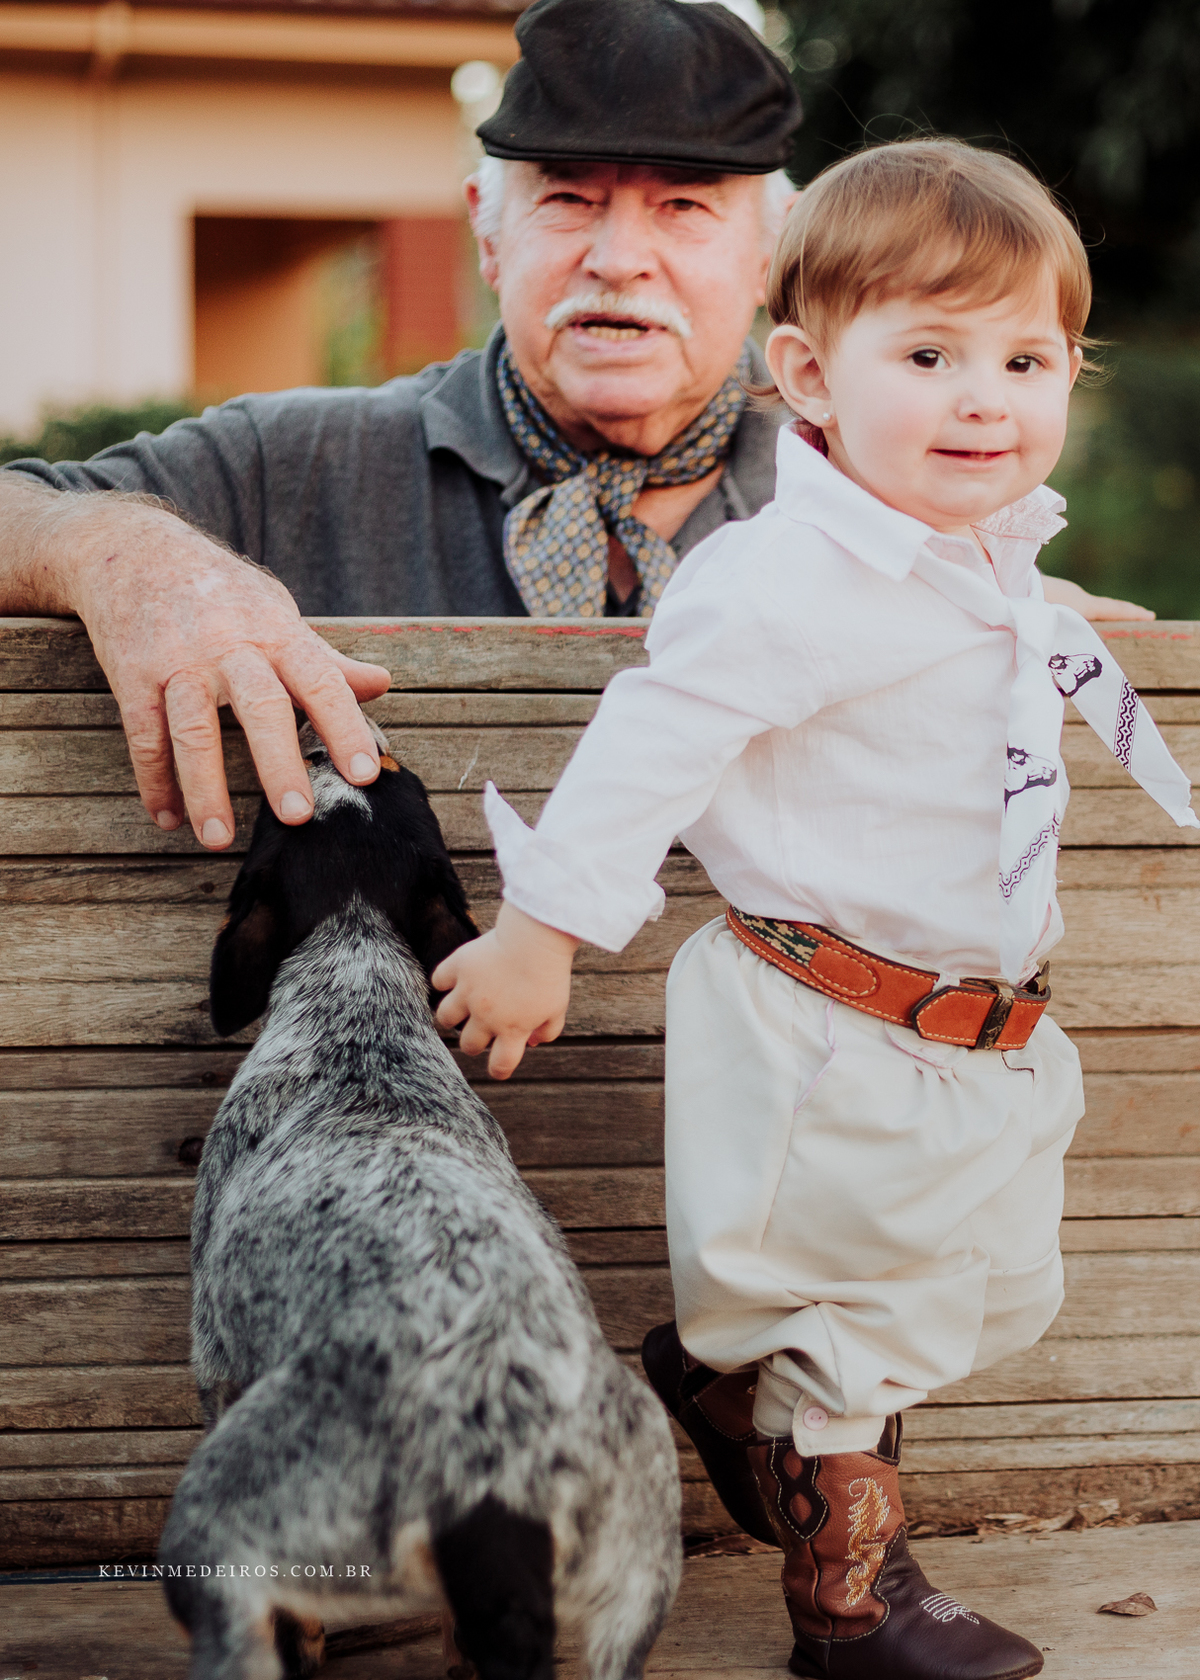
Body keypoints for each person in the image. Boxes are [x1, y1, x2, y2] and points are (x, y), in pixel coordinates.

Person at [430, 139, 1199, 1679]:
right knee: (865, 1320)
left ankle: (729, 1388)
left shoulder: (981, 570)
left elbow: (996, 689)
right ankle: (849, 1607)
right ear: (811, 375)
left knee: (988, 1286)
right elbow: (654, 743)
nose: (987, 397)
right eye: (929, 353)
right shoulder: (781, 583)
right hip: (830, 1020)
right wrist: (543, 932)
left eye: (1027, 357)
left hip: (976, 1032)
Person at [0, 0, 1145, 853]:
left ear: (772, 255)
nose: (618, 257)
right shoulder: (296, 458)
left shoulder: (896, 483)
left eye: (684, 206)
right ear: (489, 236)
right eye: (568, 197)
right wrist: (123, 555)